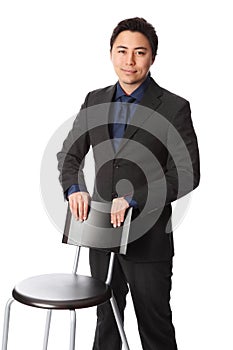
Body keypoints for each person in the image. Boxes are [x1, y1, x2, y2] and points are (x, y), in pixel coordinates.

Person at [57, 17, 200, 350]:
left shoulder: (174, 107)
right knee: (106, 321)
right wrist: (74, 188)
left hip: (149, 239)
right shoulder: (95, 100)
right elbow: (70, 155)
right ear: (111, 54)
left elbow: (188, 171)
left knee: (154, 325)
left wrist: (135, 197)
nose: (130, 60)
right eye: (122, 51)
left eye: (139, 52)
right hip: (101, 234)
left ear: (152, 57)